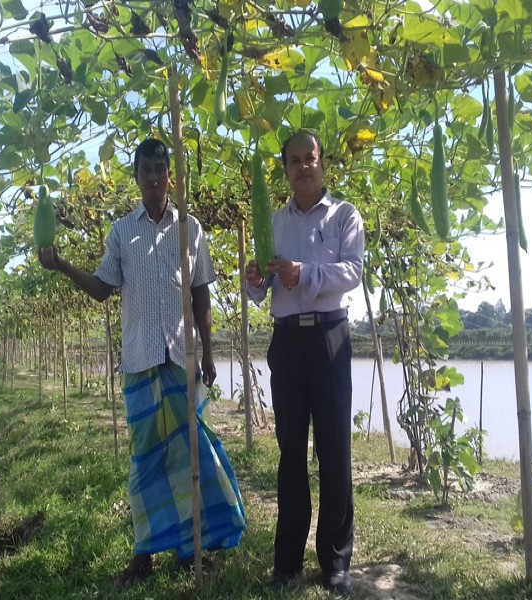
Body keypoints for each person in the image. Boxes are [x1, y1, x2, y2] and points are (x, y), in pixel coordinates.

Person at [39, 138, 246, 587]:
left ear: (171, 175)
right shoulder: (120, 233)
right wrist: (62, 267)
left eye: (160, 168)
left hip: (181, 359)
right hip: (138, 361)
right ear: (135, 178)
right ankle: (144, 554)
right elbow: (101, 288)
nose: (154, 177)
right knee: (145, 462)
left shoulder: (190, 229)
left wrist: (209, 351)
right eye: (145, 170)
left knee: (194, 456)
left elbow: (201, 294)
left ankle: (199, 545)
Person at [244, 130, 364, 597]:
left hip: (331, 337)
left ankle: (335, 562)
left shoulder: (344, 216)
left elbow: (352, 271)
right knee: (291, 453)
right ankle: (287, 563)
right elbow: (258, 294)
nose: (302, 167)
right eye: (293, 161)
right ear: (286, 169)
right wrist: (255, 279)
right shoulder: (273, 222)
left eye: (308, 158)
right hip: (288, 342)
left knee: (335, 450)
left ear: (322, 162)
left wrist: (305, 273)